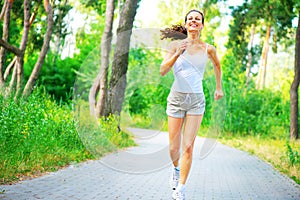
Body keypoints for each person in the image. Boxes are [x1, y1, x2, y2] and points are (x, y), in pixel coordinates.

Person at [160, 9, 223, 200]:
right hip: (176, 99)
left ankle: (181, 188)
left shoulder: (208, 48)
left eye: (198, 19)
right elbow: (163, 70)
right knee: (173, 147)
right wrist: (178, 53)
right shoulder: (175, 45)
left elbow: (217, 66)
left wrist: (218, 88)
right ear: (186, 24)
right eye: (190, 19)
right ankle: (176, 168)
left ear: (202, 25)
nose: (194, 21)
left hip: (196, 100)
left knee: (188, 147)